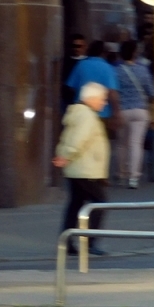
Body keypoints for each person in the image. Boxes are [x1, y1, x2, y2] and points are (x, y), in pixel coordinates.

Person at [53, 82, 111, 256]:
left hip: (78, 168)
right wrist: (66, 155)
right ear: (91, 99)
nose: (104, 103)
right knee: (99, 204)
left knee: (76, 204)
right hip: (86, 170)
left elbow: (67, 138)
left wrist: (64, 155)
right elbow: (78, 139)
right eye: (102, 99)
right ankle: (89, 241)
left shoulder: (79, 113)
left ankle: (68, 242)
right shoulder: (86, 116)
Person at [114, 41, 154, 190]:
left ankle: (120, 174)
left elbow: (113, 91)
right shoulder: (142, 70)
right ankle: (134, 177)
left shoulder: (116, 71)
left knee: (121, 144)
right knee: (136, 144)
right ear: (135, 53)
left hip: (122, 110)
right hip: (140, 110)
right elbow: (151, 91)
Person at [65, 41, 121, 129]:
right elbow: (112, 92)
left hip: (81, 112)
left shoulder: (81, 65)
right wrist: (117, 112)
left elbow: (71, 87)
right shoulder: (107, 68)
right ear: (104, 53)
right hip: (102, 113)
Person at [61, 33, 88, 109]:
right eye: (74, 46)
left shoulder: (88, 62)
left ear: (85, 47)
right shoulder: (66, 61)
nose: (76, 49)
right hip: (68, 101)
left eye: (79, 46)